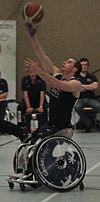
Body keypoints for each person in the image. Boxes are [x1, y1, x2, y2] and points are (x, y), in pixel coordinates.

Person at [23, 23, 82, 140]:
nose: (65, 62)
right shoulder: (57, 74)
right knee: (30, 140)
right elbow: (41, 55)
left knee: (41, 145)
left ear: (74, 69)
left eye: (69, 62)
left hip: (62, 127)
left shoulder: (76, 83)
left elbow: (57, 84)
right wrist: (33, 35)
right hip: (51, 124)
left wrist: (38, 71)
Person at [17, 65, 48, 132]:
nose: (33, 74)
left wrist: (40, 106)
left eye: (34, 72)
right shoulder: (25, 79)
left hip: (39, 100)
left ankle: (44, 125)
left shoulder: (41, 79)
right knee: (20, 107)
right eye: (31, 72)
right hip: (29, 100)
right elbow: (25, 94)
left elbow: (42, 94)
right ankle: (21, 126)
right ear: (28, 73)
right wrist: (28, 107)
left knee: (46, 107)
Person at [0, 70, 28, 142]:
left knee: (0, 122)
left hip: (1, 103)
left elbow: (4, 95)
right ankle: (19, 131)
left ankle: (19, 131)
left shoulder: (3, 82)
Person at [74, 57, 100, 132]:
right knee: (77, 107)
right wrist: (89, 86)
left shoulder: (92, 76)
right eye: (82, 65)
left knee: (98, 106)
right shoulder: (76, 77)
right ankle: (89, 123)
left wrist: (81, 85)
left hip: (91, 99)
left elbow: (95, 87)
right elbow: (76, 88)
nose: (84, 66)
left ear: (88, 66)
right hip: (80, 99)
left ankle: (85, 121)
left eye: (85, 65)